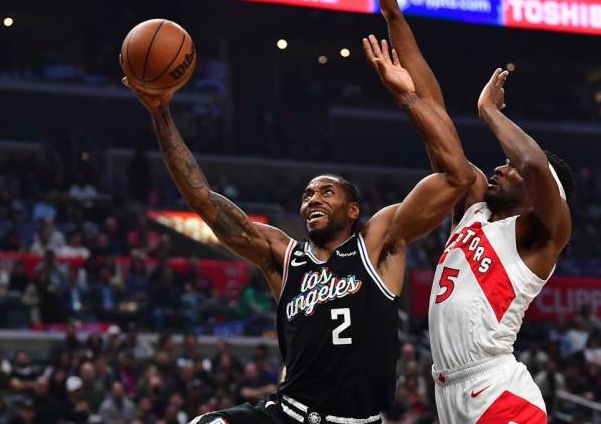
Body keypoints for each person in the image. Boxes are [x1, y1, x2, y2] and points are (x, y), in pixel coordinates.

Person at [121, 23, 473, 423]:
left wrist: (407, 96)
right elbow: (203, 200)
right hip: (288, 414)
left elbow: (456, 177)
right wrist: (161, 112)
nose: (312, 200)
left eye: (326, 192)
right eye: (307, 195)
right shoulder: (283, 256)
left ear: (353, 209)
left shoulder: (379, 242)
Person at [374, 0, 574, 421]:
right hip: (449, 391)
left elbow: (537, 166)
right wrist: (395, 18)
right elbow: (435, 109)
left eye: (510, 166)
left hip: (498, 391)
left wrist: (490, 112)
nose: (501, 168)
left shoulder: (542, 236)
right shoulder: (474, 206)